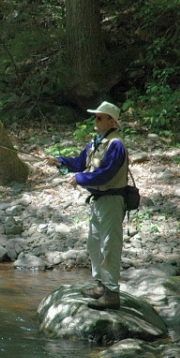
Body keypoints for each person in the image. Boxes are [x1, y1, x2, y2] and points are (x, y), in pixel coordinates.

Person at [45, 101, 128, 310]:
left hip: (112, 199)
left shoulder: (116, 144)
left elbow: (106, 173)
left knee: (110, 245)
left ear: (111, 121)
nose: (95, 120)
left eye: (99, 117)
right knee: (94, 244)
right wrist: (59, 161)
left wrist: (80, 179)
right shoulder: (97, 141)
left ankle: (112, 294)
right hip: (98, 201)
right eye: (95, 116)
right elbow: (80, 162)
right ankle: (100, 285)